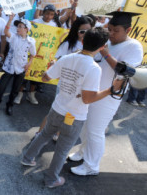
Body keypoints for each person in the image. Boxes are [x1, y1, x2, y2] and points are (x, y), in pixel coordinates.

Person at [21, 28, 118, 188]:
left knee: (44, 135)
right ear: (102, 47)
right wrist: (110, 90)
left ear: (82, 40)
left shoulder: (67, 58)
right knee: (62, 149)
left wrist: (54, 67)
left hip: (57, 108)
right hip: (74, 116)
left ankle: (27, 158)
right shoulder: (94, 68)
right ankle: (51, 179)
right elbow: (88, 99)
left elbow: (46, 77)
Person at [68, 11, 144, 176]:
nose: (111, 33)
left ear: (128, 30)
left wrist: (106, 53)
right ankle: (82, 152)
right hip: (91, 90)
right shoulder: (107, 40)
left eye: (115, 30)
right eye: (109, 29)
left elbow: (125, 71)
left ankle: (91, 166)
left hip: (108, 96)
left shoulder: (134, 46)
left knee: (95, 130)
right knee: (84, 125)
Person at [0, 15, 36, 116]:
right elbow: (6, 32)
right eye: (17, 26)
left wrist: (29, 63)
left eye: (20, 26)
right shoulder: (14, 37)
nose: (17, 28)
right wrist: (10, 20)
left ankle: (9, 106)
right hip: (8, 67)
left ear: (26, 29)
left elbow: (33, 54)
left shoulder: (31, 42)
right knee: (1, 87)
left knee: (15, 90)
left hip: (21, 68)